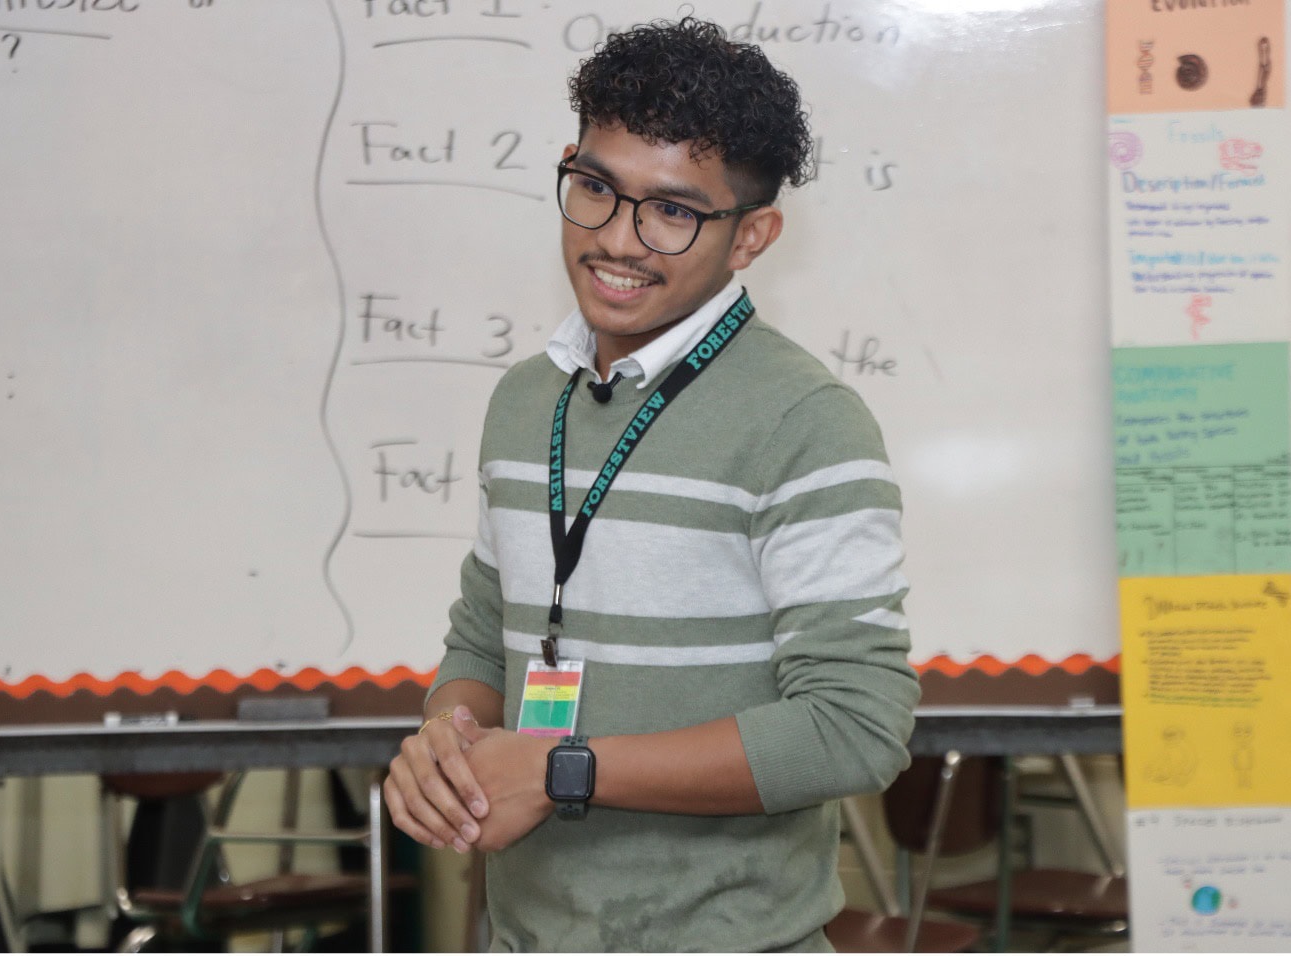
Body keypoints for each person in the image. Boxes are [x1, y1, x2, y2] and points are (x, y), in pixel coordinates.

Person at [383, 17, 919, 952]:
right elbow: (483, 635)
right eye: (594, 188)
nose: (617, 240)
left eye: (672, 210)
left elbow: (853, 729)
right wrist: (449, 740)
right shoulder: (523, 403)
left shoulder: (804, 421)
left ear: (751, 236)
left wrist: (564, 771)